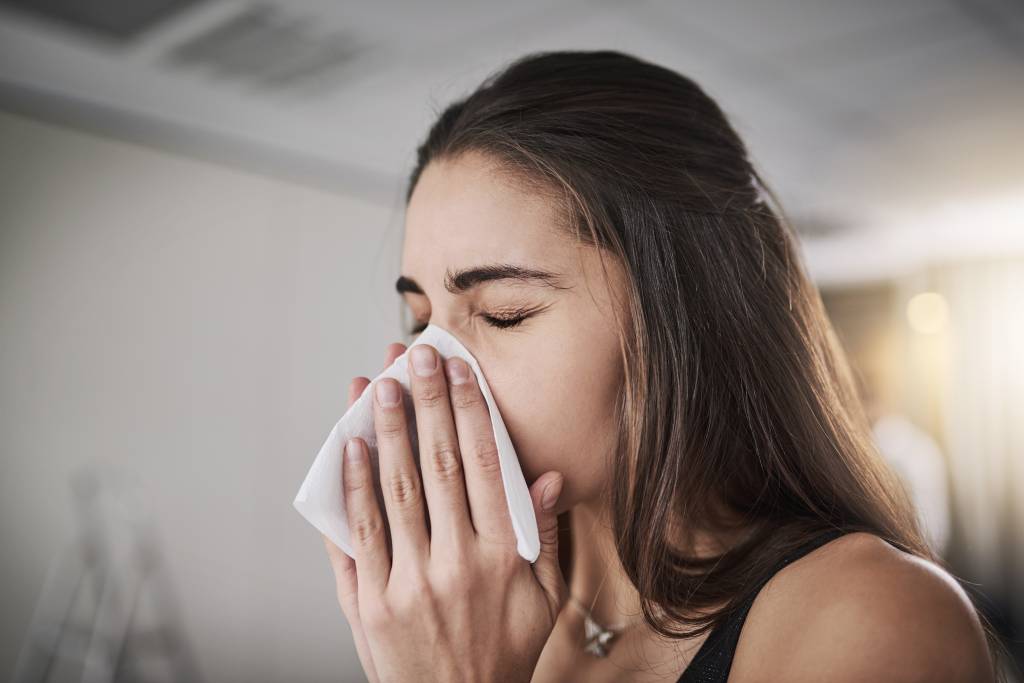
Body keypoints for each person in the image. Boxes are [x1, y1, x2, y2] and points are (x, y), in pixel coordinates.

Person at [320, 50, 1002, 682]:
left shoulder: (869, 621)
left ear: (676, 314)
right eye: (420, 321)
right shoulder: (473, 599)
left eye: (503, 312)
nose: (425, 374)